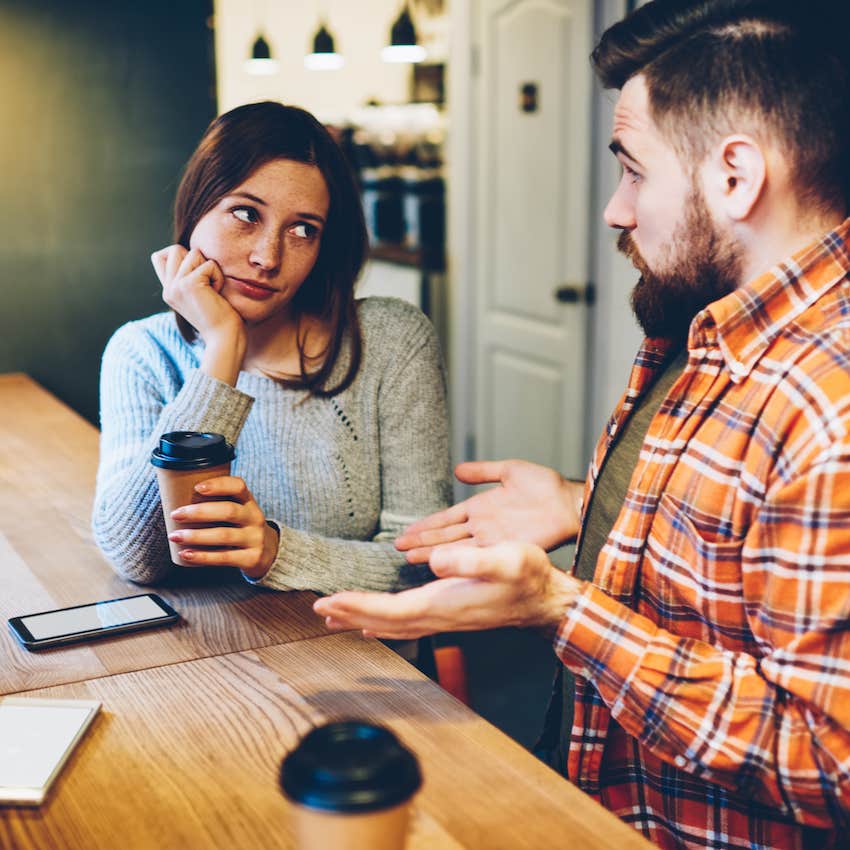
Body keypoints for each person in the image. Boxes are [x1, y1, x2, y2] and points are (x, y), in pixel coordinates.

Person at [313, 1, 850, 846]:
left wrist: (558, 608)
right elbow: (736, 544)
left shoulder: (830, 407)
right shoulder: (707, 320)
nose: (616, 209)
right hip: (592, 796)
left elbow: (826, 763)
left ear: (736, 177)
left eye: (634, 171)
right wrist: (586, 499)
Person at [92, 102, 451, 650]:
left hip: (364, 669)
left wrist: (273, 553)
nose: (267, 256)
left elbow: (421, 567)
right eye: (245, 214)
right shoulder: (142, 351)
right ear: (196, 210)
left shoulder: (391, 341)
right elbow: (135, 554)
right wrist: (222, 352)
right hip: (204, 665)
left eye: (303, 229)